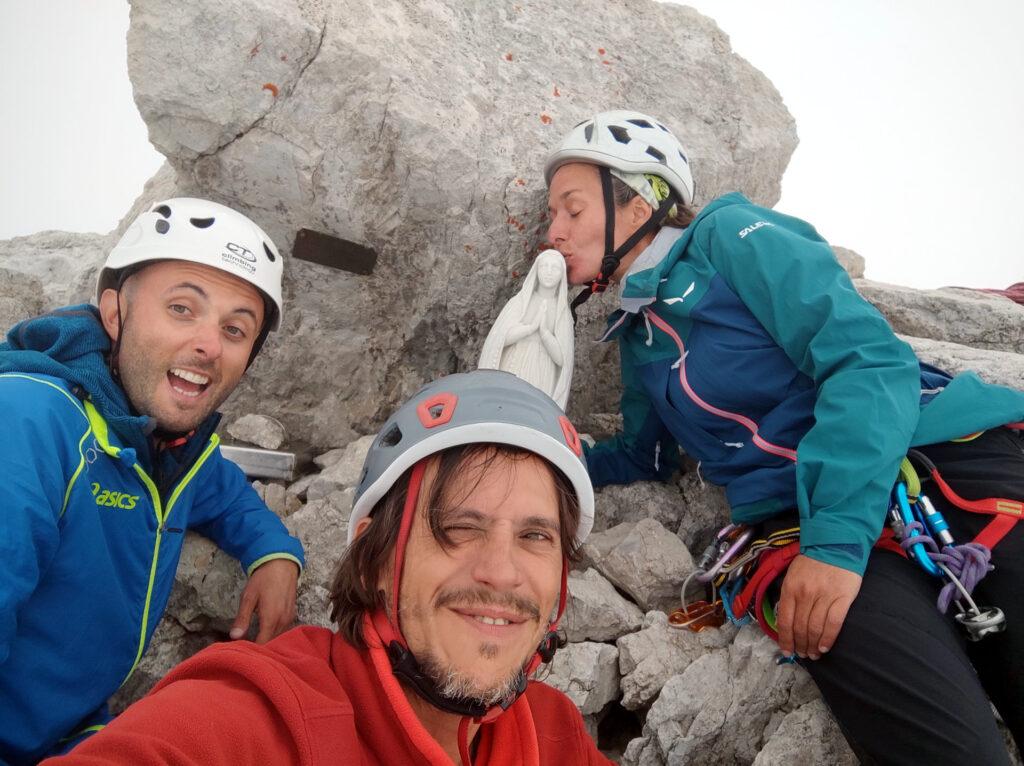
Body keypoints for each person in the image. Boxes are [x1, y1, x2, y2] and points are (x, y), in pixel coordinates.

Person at [543, 110, 1024, 763]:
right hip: (796, 529)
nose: (554, 232)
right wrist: (557, 451)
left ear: (640, 202)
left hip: (936, 465)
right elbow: (647, 453)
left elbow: (864, 361)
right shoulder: (637, 338)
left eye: (572, 209)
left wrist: (834, 544)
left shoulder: (733, 236)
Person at [40, 370, 611, 766]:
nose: (502, 573)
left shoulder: (553, 733)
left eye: (536, 536)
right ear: (376, 558)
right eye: (459, 529)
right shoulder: (266, 720)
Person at [0, 198, 305, 764]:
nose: (209, 345)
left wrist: (274, 554)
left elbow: (224, 490)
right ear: (114, 314)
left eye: (236, 329)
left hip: (74, 732)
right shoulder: (28, 423)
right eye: (182, 308)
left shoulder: (166, 446)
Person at [479, 248, 574, 407]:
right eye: (544, 266)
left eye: (555, 268)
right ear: (536, 270)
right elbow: (500, 339)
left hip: (542, 371)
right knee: (505, 406)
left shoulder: (562, 312)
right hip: (513, 363)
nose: (549, 272)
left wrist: (544, 333)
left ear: (562, 274)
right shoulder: (520, 302)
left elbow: (561, 360)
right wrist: (530, 328)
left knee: (531, 412)